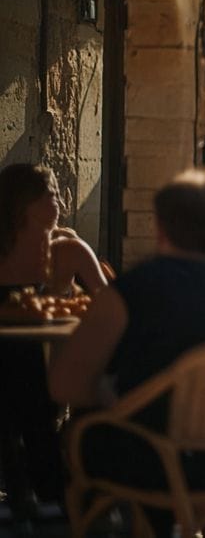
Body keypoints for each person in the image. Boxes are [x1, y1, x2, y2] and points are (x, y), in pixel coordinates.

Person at [48, 169, 205, 538]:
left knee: (89, 426)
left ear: (160, 230)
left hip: (157, 461)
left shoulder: (133, 289)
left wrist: (111, 395)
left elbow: (64, 386)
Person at [0, 163, 105, 521]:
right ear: (21, 203)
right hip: (22, 364)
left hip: (56, 363)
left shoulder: (68, 249)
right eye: (51, 194)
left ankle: (35, 487)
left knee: (25, 379)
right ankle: (37, 487)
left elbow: (110, 305)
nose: (60, 201)